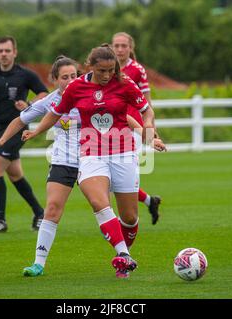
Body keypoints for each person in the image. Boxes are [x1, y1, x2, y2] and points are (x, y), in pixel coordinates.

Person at [22, 44, 156, 278]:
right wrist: (35, 131)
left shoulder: (125, 83)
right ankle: (123, 256)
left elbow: (146, 110)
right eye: (102, 70)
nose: (107, 76)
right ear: (90, 66)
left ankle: (125, 255)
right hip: (92, 153)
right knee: (98, 202)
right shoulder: (77, 87)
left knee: (130, 217)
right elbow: (55, 112)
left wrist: (149, 130)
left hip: (123, 153)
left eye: (111, 70)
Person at [0, 55, 80, 277]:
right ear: (55, 80)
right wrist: (2, 140)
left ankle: (122, 254)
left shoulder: (90, 92)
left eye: (74, 76)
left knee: (104, 206)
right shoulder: (49, 101)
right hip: (63, 160)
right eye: (65, 77)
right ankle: (38, 263)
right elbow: (20, 120)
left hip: (94, 159)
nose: (70, 80)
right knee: (52, 209)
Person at [0, 36, 48, 233]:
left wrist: (29, 104)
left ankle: (0, 220)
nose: (4, 54)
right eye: (0, 51)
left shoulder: (25, 74)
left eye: (7, 50)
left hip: (18, 129)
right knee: (15, 174)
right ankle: (40, 213)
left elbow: (44, 94)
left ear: (14, 52)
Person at [112, 32, 163, 225]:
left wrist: (151, 129)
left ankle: (124, 218)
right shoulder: (107, 69)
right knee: (112, 174)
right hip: (112, 126)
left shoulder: (137, 70)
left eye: (123, 45)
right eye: (116, 45)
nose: (120, 49)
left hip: (132, 128)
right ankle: (149, 201)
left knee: (124, 174)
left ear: (130, 48)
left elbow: (147, 103)